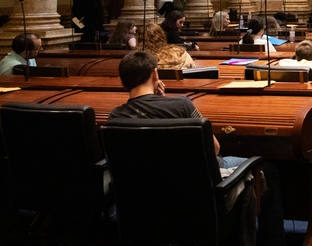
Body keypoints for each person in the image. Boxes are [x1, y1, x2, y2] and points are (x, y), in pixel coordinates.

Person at [108, 51, 285, 246]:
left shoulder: (116, 117)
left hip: (149, 202)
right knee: (269, 170)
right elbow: (214, 149)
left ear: (123, 82)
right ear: (155, 74)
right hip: (199, 197)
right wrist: (165, 100)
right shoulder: (181, 105)